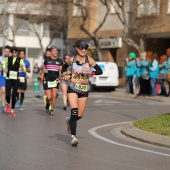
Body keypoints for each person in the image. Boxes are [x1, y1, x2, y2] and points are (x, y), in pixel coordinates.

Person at [62, 40, 103, 146]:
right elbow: (63, 68)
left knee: (79, 115)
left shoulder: (89, 60)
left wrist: (92, 72)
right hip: (72, 89)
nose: (84, 50)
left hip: (84, 89)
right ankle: (74, 137)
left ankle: (69, 121)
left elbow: (100, 71)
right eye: (81, 48)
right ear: (76, 48)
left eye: (85, 48)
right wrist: (66, 75)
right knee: (74, 112)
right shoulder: (72, 60)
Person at [3, 46, 26, 116]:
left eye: (15, 52)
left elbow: (24, 70)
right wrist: (4, 68)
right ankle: (8, 104)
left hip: (16, 79)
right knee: (7, 95)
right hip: (8, 78)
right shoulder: (8, 58)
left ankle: (12, 110)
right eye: (13, 52)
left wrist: (22, 67)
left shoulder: (20, 60)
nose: (14, 53)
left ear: (17, 53)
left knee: (13, 95)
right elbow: (4, 65)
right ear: (11, 52)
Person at [42, 45, 63, 116]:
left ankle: (52, 110)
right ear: (51, 52)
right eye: (54, 50)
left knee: (54, 96)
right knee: (49, 97)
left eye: (57, 50)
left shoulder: (60, 61)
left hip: (55, 80)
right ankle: (48, 103)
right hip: (47, 80)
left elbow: (62, 71)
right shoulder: (47, 60)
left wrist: (61, 70)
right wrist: (43, 69)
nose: (56, 52)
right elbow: (43, 68)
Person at [0, 45, 11, 111]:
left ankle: (8, 103)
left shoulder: (11, 58)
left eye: (7, 51)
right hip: (2, 76)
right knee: (3, 91)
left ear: (9, 52)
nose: (6, 52)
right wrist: (1, 68)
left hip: (9, 77)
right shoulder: (1, 58)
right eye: (5, 51)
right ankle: (3, 105)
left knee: (8, 92)